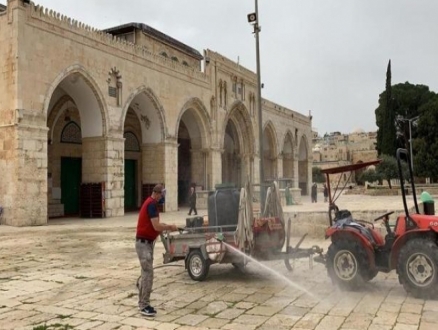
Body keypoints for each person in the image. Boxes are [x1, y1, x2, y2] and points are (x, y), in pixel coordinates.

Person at [136, 184, 177, 317]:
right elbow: (156, 226)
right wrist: (169, 227)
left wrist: (167, 226)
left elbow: (157, 225)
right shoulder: (152, 205)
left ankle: (142, 303)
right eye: (162, 195)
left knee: (145, 273)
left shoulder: (150, 203)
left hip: (145, 244)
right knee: (148, 274)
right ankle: (144, 305)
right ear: (157, 193)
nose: (162, 198)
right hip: (144, 245)